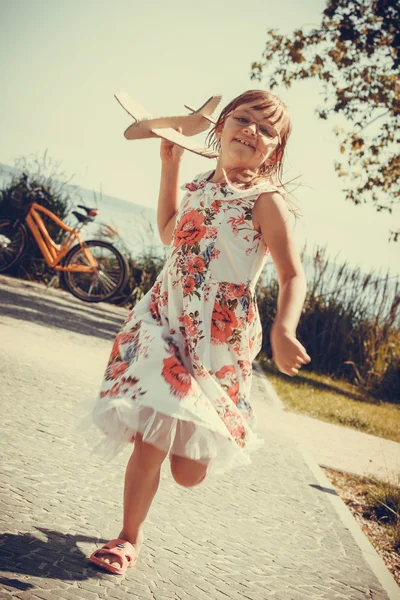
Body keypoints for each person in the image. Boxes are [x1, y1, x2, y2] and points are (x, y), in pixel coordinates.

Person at [88, 89, 311, 574]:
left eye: (267, 129)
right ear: (222, 124)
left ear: (276, 150)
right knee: (152, 434)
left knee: (187, 472)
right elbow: (170, 233)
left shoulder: (266, 202)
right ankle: (128, 537)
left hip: (218, 341)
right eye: (245, 119)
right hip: (164, 319)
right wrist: (169, 163)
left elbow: (293, 274)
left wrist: (284, 328)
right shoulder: (197, 186)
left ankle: (171, 434)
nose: (253, 131)